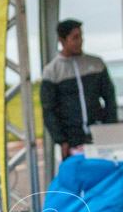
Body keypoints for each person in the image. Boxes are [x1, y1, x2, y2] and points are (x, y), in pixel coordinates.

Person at [40, 19, 118, 159]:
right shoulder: (52, 71)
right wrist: (61, 140)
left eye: (81, 36)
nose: (80, 41)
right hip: (71, 139)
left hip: (99, 133)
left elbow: (109, 97)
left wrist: (110, 125)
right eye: (75, 38)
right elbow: (49, 109)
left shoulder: (96, 64)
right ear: (62, 40)